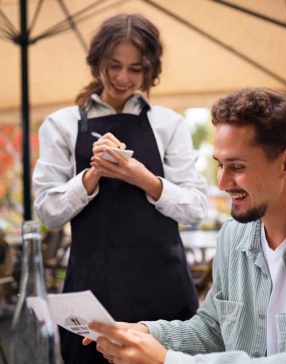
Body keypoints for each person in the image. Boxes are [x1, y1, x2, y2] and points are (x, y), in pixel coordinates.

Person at [86, 87, 286, 363]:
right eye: (219, 165)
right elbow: (212, 328)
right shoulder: (233, 234)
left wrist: (166, 360)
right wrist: (145, 334)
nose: (222, 183)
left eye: (237, 167)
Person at [32, 13, 208, 364]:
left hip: (164, 292)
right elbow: (47, 212)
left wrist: (142, 177)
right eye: (113, 65)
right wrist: (90, 176)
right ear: (97, 61)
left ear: (150, 70)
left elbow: (197, 208)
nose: (122, 78)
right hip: (91, 296)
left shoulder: (168, 124)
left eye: (135, 69)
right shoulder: (62, 125)